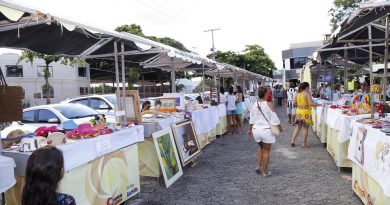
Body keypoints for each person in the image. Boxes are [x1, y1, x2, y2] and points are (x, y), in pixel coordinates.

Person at [247, 86, 282, 177]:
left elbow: (251, 118)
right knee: (266, 151)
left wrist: (250, 129)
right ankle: (265, 172)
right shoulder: (268, 104)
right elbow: (275, 119)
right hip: (266, 130)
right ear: (266, 93)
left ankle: (258, 166)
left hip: (256, 130)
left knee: (261, 148)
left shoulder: (255, 104)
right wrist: (280, 128)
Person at [290, 82, 322, 148]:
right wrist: (319, 104)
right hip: (306, 113)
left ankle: (292, 141)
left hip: (299, 112)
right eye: (309, 87)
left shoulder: (298, 94)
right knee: (305, 128)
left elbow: (294, 103)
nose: (309, 88)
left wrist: (300, 106)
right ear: (306, 87)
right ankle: (303, 143)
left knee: (298, 127)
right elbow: (311, 103)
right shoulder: (307, 94)